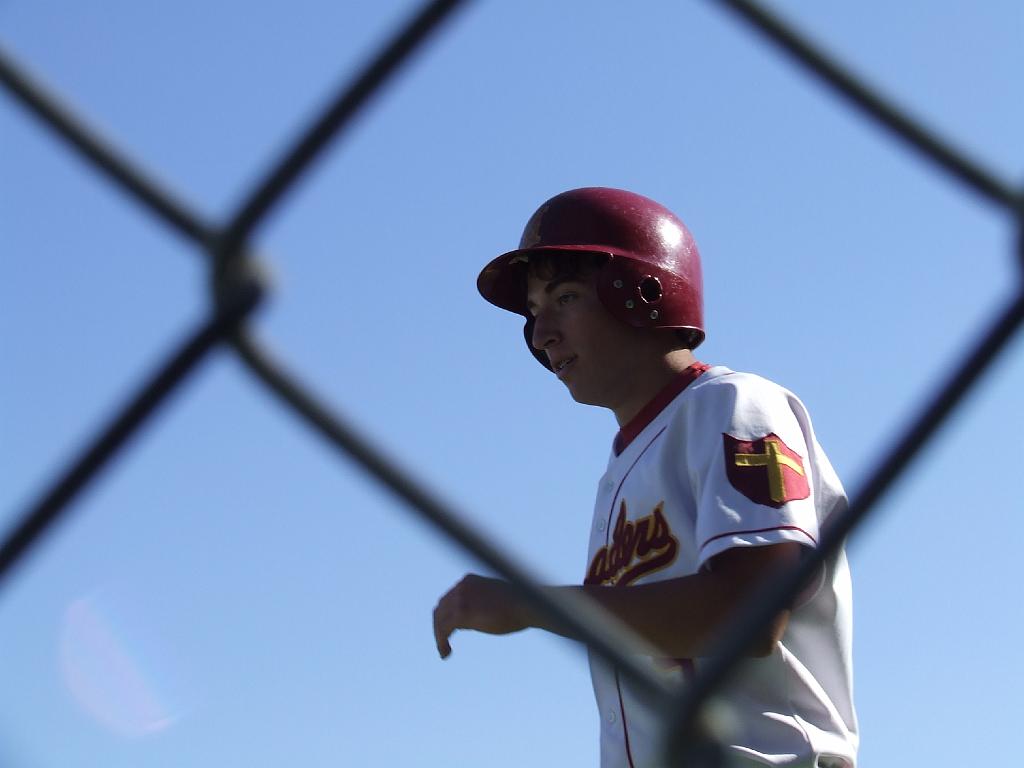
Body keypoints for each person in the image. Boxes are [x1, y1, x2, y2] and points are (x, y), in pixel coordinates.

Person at [433, 187, 858, 768]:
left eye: (565, 297)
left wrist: (533, 606)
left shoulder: (734, 405)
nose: (542, 332)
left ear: (642, 293)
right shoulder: (621, 469)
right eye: (534, 312)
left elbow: (751, 612)